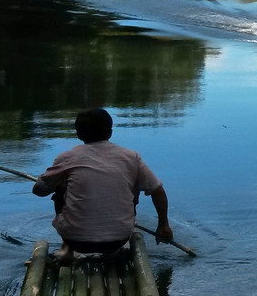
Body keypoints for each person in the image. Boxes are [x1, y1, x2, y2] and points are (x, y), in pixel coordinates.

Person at [32, 108, 173, 260]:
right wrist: (163, 225)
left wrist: (53, 181)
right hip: (119, 239)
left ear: (78, 134)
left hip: (75, 240)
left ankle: (67, 250)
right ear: (110, 132)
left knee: (60, 192)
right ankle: (114, 249)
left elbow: (39, 190)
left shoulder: (67, 158)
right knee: (133, 186)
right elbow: (157, 190)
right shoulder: (131, 157)